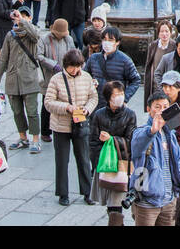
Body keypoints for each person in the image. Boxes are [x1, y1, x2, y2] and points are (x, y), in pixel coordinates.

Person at [44, 48, 97, 205]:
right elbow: (48, 102)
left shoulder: (86, 77)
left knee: (84, 159)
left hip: (80, 124)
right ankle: (63, 194)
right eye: (72, 67)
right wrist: (66, 107)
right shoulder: (56, 79)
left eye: (78, 66)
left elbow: (93, 97)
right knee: (62, 160)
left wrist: (87, 109)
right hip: (61, 126)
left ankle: (88, 192)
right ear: (66, 65)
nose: (75, 70)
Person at [130, 91, 180, 225]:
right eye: (157, 107)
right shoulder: (142, 131)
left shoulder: (170, 134)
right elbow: (137, 148)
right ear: (148, 109)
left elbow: (178, 162)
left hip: (169, 200)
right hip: (147, 201)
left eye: (165, 107)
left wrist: (178, 186)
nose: (161, 110)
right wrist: (152, 131)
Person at [0, 3, 45, 154]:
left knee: (32, 111)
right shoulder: (10, 35)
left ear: (30, 18)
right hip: (13, 79)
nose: (20, 18)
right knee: (17, 111)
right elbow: (3, 58)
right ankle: (23, 138)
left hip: (29, 78)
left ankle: (35, 139)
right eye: (19, 16)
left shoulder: (33, 32)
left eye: (25, 16)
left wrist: (22, 21)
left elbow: (35, 36)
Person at [88, 80, 137, 226]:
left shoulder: (130, 115)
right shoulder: (99, 115)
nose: (120, 97)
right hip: (105, 164)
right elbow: (93, 142)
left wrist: (111, 139)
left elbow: (131, 140)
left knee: (116, 203)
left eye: (121, 93)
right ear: (108, 97)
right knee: (110, 204)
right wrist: (98, 163)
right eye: (116, 95)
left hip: (121, 164)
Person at [36, 17, 74, 142]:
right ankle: (45, 132)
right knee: (47, 104)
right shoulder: (44, 39)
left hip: (65, 76)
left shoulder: (68, 39)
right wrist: (53, 64)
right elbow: (39, 56)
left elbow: (73, 53)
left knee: (65, 102)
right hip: (49, 76)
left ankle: (65, 128)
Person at [87, 25, 142, 102]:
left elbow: (136, 80)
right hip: (95, 101)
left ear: (117, 42)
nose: (107, 42)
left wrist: (124, 98)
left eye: (110, 40)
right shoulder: (94, 58)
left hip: (114, 102)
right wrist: (90, 81)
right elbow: (84, 75)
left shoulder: (125, 60)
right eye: (104, 39)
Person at [143, 20, 175, 110]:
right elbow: (149, 65)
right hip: (155, 85)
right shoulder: (153, 45)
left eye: (167, 31)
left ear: (170, 32)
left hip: (169, 86)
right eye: (162, 31)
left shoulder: (174, 46)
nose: (164, 34)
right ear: (158, 33)